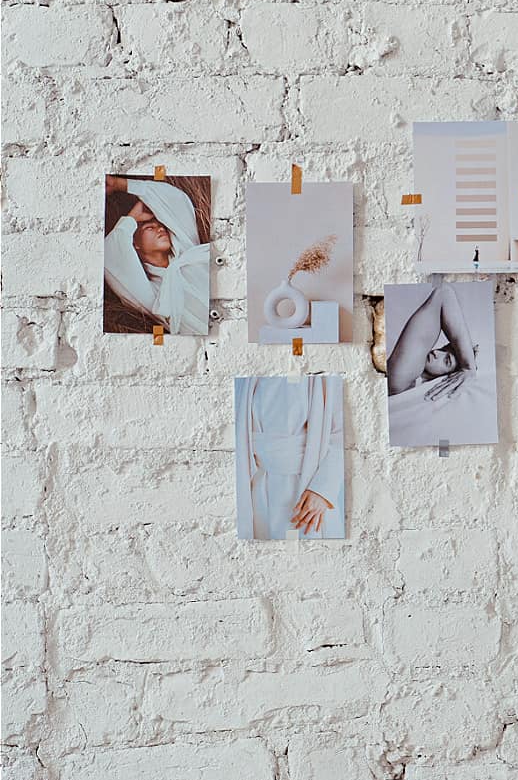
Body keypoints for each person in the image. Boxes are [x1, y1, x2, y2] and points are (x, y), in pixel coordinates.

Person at [235, 375, 344, 540]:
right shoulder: (249, 374)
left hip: (308, 487)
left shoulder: (324, 370)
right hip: (259, 487)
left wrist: (323, 489)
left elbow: (342, 433)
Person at [103, 176, 210, 336]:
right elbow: (111, 252)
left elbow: (177, 200)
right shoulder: (154, 296)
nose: (160, 229)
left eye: (161, 226)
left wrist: (121, 184)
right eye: (149, 228)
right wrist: (132, 218)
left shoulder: (188, 250)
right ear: (135, 245)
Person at [386, 279, 477, 396]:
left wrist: (468, 367)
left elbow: (443, 293)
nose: (436, 353)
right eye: (443, 349)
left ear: (450, 376)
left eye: (446, 361)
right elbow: (443, 291)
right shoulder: (402, 376)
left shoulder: (399, 378)